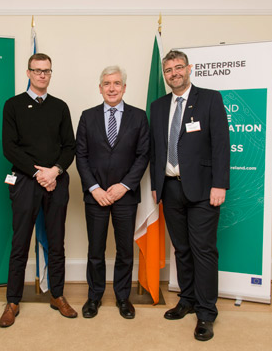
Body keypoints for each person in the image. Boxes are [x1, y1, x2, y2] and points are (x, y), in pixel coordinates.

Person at [149, 50, 230, 341]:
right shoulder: (157, 107)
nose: (174, 73)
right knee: (181, 250)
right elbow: (156, 149)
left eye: (179, 67)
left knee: (203, 251)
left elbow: (221, 144)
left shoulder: (209, 99)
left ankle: (206, 313)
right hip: (170, 189)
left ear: (189, 68)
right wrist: (156, 183)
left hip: (203, 190)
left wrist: (220, 184)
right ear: (165, 74)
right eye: (168, 70)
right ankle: (188, 299)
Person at [0, 53, 77, 328]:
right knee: (20, 243)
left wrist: (54, 172)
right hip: (24, 182)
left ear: (50, 74)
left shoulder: (60, 107)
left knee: (57, 242)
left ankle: (57, 295)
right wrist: (37, 173)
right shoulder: (13, 105)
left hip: (56, 181)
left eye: (47, 71)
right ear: (28, 73)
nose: (42, 75)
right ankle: (12, 301)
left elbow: (70, 146)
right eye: (37, 70)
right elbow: (9, 147)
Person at [75, 66, 149, 319]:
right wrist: (95, 189)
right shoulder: (87, 116)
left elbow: (143, 156)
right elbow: (81, 156)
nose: (112, 88)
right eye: (107, 83)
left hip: (125, 196)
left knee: (124, 251)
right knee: (95, 250)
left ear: (124, 87)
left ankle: (122, 298)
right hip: (95, 196)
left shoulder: (139, 117)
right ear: (100, 88)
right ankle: (93, 297)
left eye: (117, 83)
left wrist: (124, 186)